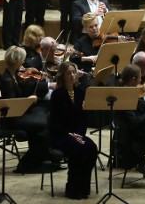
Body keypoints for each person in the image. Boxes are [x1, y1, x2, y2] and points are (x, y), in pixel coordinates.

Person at [0, 46, 53, 173]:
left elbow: (26, 86)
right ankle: (27, 163)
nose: (24, 62)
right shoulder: (6, 80)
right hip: (12, 118)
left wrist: (40, 79)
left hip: (21, 114)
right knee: (45, 125)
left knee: (42, 130)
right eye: (22, 59)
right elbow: (13, 105)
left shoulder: (15, 75)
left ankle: (37, 161)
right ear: (17, 61)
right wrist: (29, 99)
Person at [49, 61, 99, 200]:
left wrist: (79, 134)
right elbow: (54, 121)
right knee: (79, 150)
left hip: (77, 133)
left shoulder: (80, 92)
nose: (72, 75)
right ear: (62, 76)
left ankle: (83, 187)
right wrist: (69, 134)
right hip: (61, 135)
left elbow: (83, 118)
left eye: (73, 72)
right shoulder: (57, 95)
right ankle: (72, 189)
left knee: (91, 148)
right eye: (68, 73)